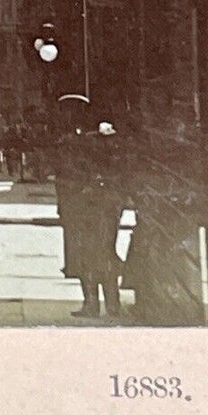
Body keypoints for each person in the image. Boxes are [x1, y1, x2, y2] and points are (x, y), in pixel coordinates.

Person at [54, 98, 127, 319]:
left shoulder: (94, 141)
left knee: (97, 253)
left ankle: (103, 303)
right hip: (85, 206)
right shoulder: (76, 141)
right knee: (91, 254)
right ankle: (100, 303)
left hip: (96, 206)